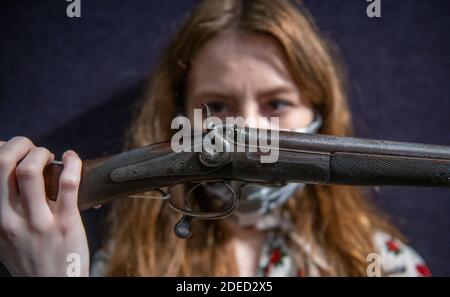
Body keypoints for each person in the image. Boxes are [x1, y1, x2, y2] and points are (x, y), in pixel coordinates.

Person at [0, 0, 432, 277]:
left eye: (276, 104)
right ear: (181, 117)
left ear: (318, 114)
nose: (248, 129)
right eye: (218, 108)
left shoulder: (385, 265)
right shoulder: (127, 263)